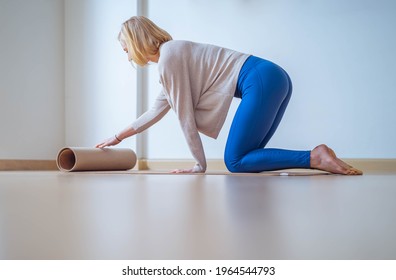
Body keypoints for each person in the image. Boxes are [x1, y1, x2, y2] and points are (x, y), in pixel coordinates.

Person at [96, 16, 363, 175]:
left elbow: (185, 118)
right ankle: (314, 158)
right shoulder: (172, 56)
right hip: (273, 77)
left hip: (260, 80)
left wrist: (199, 166)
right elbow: (156, 110)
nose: (127, 55)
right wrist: (118, 137)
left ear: (136, 42)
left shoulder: (169, 59)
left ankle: (314, 157)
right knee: (247, 156)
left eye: (125, 49)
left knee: (234, 161)